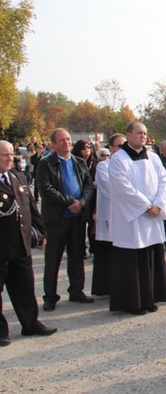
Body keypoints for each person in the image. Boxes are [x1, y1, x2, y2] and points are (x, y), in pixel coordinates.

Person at [108, 122, 166, 315]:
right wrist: (146, 206)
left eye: (145, 133)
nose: (142, 136)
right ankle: (132, 302)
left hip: (152, 216)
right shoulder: (118, 159)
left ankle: (150, 298)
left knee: (150, 257)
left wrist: (158, 204)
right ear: (128, 135)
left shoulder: (153, 157)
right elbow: (122, 187)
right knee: (132, 260)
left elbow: (163, 181)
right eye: (138, 133)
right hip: (132, 218)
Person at [0, 140, 57, 346]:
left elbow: (31, 209)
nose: (9, 159)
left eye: (11, 155)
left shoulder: (18, 177)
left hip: (20, 244)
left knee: (25, 288)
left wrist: (41, 234)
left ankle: (30, 323)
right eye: (4, 155)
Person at [36, 128, 95, 311]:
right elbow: (45, 190)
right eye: (62, 140)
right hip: (56, 219)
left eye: (68, 139)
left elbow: (88, 185)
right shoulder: (46, 164)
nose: (67, 143)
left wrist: (82, 203)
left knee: (77, 255)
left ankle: (76, 291)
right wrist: (70, 202)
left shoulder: (79, 162)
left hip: (77, 218)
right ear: (53, 144)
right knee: (53, 258)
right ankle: (50, 296)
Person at [90, 133, 125, 296]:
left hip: (127, 216)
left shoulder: (131, 164)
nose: (122, 149)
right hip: (110, 215)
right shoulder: (104, 166)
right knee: (107, 254)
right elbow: (112, 190)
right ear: (111, 148)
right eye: (119, 146)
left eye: (125, 146)